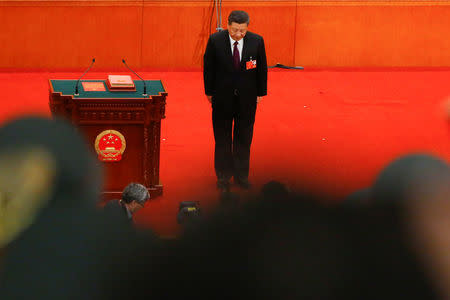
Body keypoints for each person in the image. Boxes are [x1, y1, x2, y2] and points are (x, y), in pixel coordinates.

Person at [203, 10, 268, 191]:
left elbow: (261, 68)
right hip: (222, 97)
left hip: (247, 99)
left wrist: (260, 93)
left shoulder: (257, 41)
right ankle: (223, 177)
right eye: (234, 30)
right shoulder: (216, 41)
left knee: (244, 138)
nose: (238, 34)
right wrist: (209, 91)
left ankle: (241, 176)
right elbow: (208, 67)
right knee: (223, 138)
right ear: (228, 26)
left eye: (242, 31)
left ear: (247, 27)